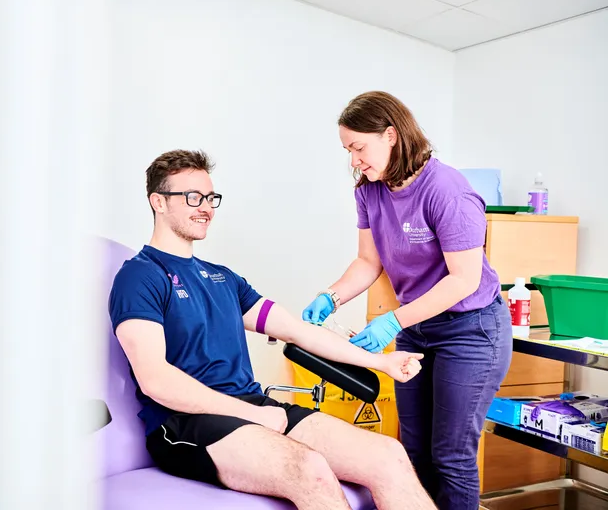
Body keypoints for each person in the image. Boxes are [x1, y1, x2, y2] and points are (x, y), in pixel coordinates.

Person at [109, 149, 436, 510]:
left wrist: (382, 363)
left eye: (210, 197)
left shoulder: (223, 279)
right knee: (308, 468)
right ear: (158, 202)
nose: (206, 207)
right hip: (183, 424)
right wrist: (251, 415)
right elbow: (156, 380)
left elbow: (299, 332)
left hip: (251, 405)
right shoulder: (140, 276)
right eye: (192, 197)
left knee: (388, 455)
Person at [302, 91, 513, 509]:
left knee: (451, 457)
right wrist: (332, 296)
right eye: (347, 151)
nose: (353, 161)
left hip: (471, 331)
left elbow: (464, 280)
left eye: (358, 148)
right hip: (418, 330)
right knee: (411, 451)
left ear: (392, 135)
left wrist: (392, 322)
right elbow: (368, 261)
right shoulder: (369, 192)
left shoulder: (448, 190)